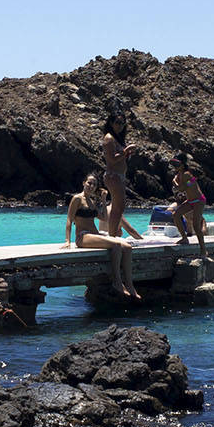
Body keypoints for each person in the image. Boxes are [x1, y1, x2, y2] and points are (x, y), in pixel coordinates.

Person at [66, 173, 141, 299]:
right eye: (89, 183)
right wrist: (67, 241)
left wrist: (103, 200)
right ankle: (117, 282)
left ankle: (130, 284)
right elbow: (69, 220)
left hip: (95, 235)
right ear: (83, 183)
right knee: (116, 245)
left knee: (127, 247)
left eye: (94, 184)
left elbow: (104, 217)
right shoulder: (77, 199)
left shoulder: (92, 200)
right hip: (83, 236)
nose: (91, 186)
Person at [99, 111, 139, 239]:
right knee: (119, 207)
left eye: (122, 123)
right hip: (113, 175)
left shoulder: (117, 138)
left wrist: (126, 154)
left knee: (118, 207)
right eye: (117, 123)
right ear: (111, 123)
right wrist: (126, 150)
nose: (120, 126)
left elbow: (119, 157)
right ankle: (112, 235)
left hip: (119, 176)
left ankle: (112, 234)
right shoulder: (109, 138)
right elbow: (111, 159)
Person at [171, 169, 209, 257]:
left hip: (199, 201)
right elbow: (179, 187)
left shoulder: (187, 174)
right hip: (190, 201)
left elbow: (182, 188)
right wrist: (175, 182)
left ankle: (203, 250)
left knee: (196, 226)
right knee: (176, 215)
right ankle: (184, 238)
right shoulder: (179, 175)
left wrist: (175, 183)